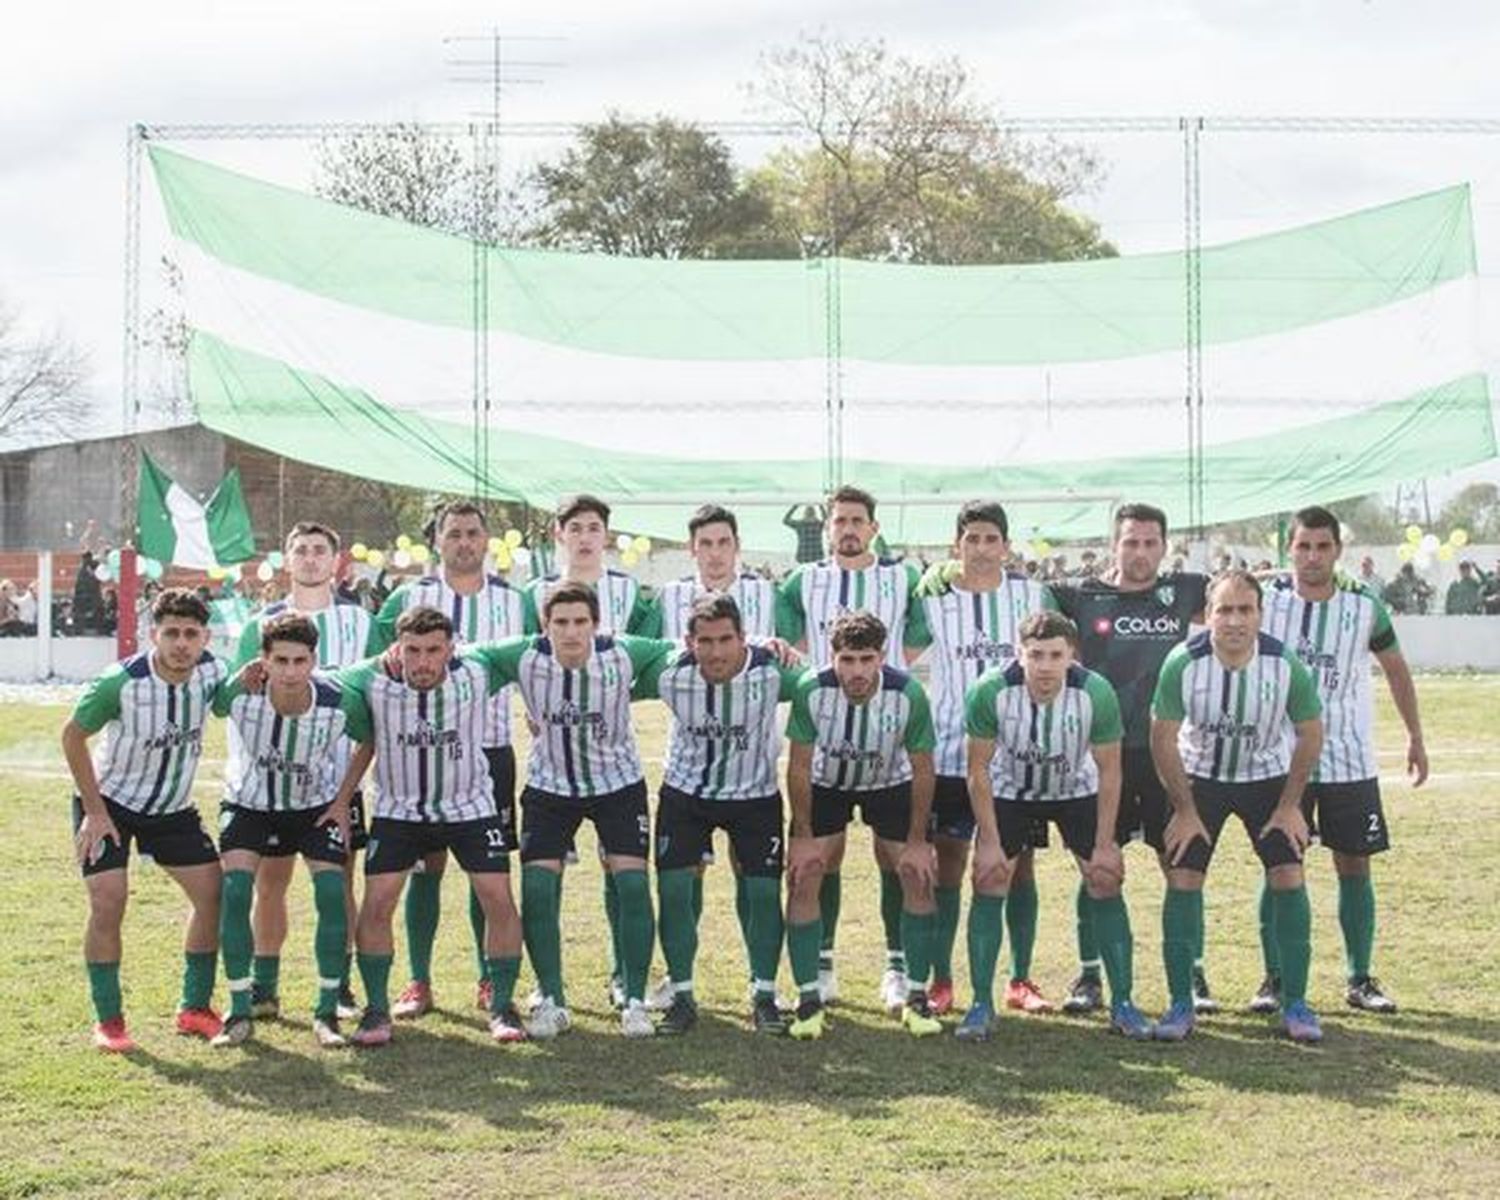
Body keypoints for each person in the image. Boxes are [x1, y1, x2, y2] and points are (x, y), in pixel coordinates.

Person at [477, 582, 678, 1039]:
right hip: (551, 788)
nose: (571, 632)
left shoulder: (623, 652)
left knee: (631, 883)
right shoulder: (525, 655)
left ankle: (633, 999)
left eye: (580, 622)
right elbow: (473, 653)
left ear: (596, 624)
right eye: (560, 623)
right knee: (538, 888)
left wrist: (767, 645)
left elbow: (678, 648)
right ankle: (552, 998)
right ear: (544, 626)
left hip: (618, 785)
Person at [1258, 506, 1427, 1013]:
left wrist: (1415, 735)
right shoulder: (1265, 603)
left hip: (1347, 758)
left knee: (1355, 866)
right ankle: (1275, 979)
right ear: (1288, 549)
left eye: (1322, 547)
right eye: (1303, 546)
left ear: (1338, 550)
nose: (1312, 557)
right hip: (1281, 759)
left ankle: (1360, 978)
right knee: (1281, 865)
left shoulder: (1364, 607)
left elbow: (1396, 670)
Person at [338, 606, 528, 1048]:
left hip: (469, 806)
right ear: (398, 649)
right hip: (400, 810)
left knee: (497, 895)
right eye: (413, 651)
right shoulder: (374, 679)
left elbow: (529, 644)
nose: (422, 662)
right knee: (379, 900)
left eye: (433, 650)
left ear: (451, 649)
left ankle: (502, 1003)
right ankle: (377, 1008)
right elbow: (330, 678)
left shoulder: (476, 671)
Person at [958, 611, 1151, 1042]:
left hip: (1074, 789)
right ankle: (980, 1005)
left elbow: (1110, 770)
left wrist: (1105, 843)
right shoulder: (990, 690)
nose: (1045, 665)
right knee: (989, 876)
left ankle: (1123, 1003)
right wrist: (987, 841)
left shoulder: (1094, 692)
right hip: (1011, 791)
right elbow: (979, 770)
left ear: (1071, 656)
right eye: (1036, 655)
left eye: (1055, 656)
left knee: (1104, 877)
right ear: (1020, 654)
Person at [1149, 570, 1325, 1043]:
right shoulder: (1183, 662)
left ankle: (1296, 1003)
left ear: (1260, 615)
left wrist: (1291, 806)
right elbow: (1162, 737)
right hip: (1199, 779)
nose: (1234, 620)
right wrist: (1184, 810)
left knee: (1288, 873)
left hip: (1266, 779)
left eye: (1244, 609)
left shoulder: (1283, 663)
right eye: (1224, 610)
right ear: (1207, 616)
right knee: (1183, 876)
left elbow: (1310, 732)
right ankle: (1181, 1004)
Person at [376, 502, 530, 1020]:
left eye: (472, 533)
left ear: (487, 542)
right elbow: (381, 663)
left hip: (488, 749)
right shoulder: (408, 597)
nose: (464, 542)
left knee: (485, 873)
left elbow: (532, 660)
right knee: (425, 868)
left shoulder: (516, 600)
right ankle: (419, 980)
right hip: (418, 749)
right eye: (453, 533)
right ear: (436, 542)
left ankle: (491, 980)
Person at [777, 486, 928, 1010]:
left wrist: (882, 678)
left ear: (873, 528)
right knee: (826, 859)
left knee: (895, 862)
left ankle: (897, 966)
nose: (847, 528)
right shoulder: (803, 579)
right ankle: (821, 966)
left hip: (888, 744)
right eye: (839, 520)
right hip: (825, 746)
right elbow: (788, 641)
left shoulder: (903, 576)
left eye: (857, 520)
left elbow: (919, 638)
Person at [60, 587, 230, 1052]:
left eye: (190, 634)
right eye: (171, 632)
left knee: (213, 895)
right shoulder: (121, 681)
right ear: (153, 634)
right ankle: (109, 1020)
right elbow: (73, 736)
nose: (181, 643)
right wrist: (94, 812)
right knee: (109, 900)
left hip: (171, 809)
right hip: (109, 804)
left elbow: (229, 702)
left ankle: (193, 1008)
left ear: (204, 637)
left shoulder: (214, 671)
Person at [904, 501, 1055, 1016]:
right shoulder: (933, 602)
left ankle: (1021, 979)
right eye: (973, 539)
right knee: (949, 865)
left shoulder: (1033, 597)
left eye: (992, 539)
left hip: (1018, 758)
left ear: (1006, 546)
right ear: (957, 546)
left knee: (1019, 866)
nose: (983, 549)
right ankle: (943, 979)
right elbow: (900, 656)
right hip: (951, 753)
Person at [635, 593, 805, 1035]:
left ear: (743, 638)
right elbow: (612, 661)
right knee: (673, 889)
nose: (715, 651)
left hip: (754, 794)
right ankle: (683, 996)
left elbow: (821, 682)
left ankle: (765, 994)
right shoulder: (670, 671)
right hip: (686, 794)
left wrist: (780, 645)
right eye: (705, 641)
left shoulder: (771, 670)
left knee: (764, 893)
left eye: (725, 640)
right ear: (688, 641)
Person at [235, 521, 383, 1023]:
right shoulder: (262, 623)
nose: (311, 558)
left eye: (320, 550)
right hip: (272, 784)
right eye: (301, 550)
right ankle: (264, 984)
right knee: (270, 883)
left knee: (340, 883)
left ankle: (338, 985)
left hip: (338, 781)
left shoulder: (362, 622)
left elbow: (376, 691)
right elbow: (241, 696)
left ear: (336, 560)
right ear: (287, 559)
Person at [637, 503, 780, 1008]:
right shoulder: (669, 612)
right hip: (687, 779)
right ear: (691, 548)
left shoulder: (768, 595)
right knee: (680, 882)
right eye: (705, 544)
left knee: (757, 883)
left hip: (755, 780)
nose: (715, 553)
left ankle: (763, 986)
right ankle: (679, 986)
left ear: (737, 546)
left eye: (724, 543)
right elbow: (629, 659)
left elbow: (796, 660)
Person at [210, 613, 367, 1048]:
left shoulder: (338, 699)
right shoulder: (242, 695)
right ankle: (242, 1009)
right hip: (250, 805)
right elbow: (216, 705)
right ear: (263, 659)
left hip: (313, 808)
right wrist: (236, 680)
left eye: (300, 660)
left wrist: (341, 802)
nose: (291, 670)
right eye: (281, 660)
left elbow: (369, 738)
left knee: (333, 894)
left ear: (314, 660)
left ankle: (326, 1010)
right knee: (238, 892)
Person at [783, 611, 937, 1040]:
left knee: (913, 871)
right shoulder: (811, 689)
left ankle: (907, 980)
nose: (857, 671)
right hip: (826, 784)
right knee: (807, 872)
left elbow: (923, 769)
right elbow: (798, 767)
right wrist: (804, 836)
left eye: (866, 659)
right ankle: (813, 986)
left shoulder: (908, 694)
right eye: (847, 660)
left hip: (889, 783)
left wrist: (919, 840)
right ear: (832, 657)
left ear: (882, 657)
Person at [523, 493, 651, 1008]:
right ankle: (546, 988)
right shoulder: (532, 592)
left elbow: (659, 656)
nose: (584, 536)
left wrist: (608, 696)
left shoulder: (630, 593)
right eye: (574, 527)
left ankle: (627, 980)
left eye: (593, 527)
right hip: (549, 764)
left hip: (612, 764)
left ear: (606, 535)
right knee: (538, 878)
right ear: (560, 534)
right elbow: (509, 655)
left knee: (620, 873)